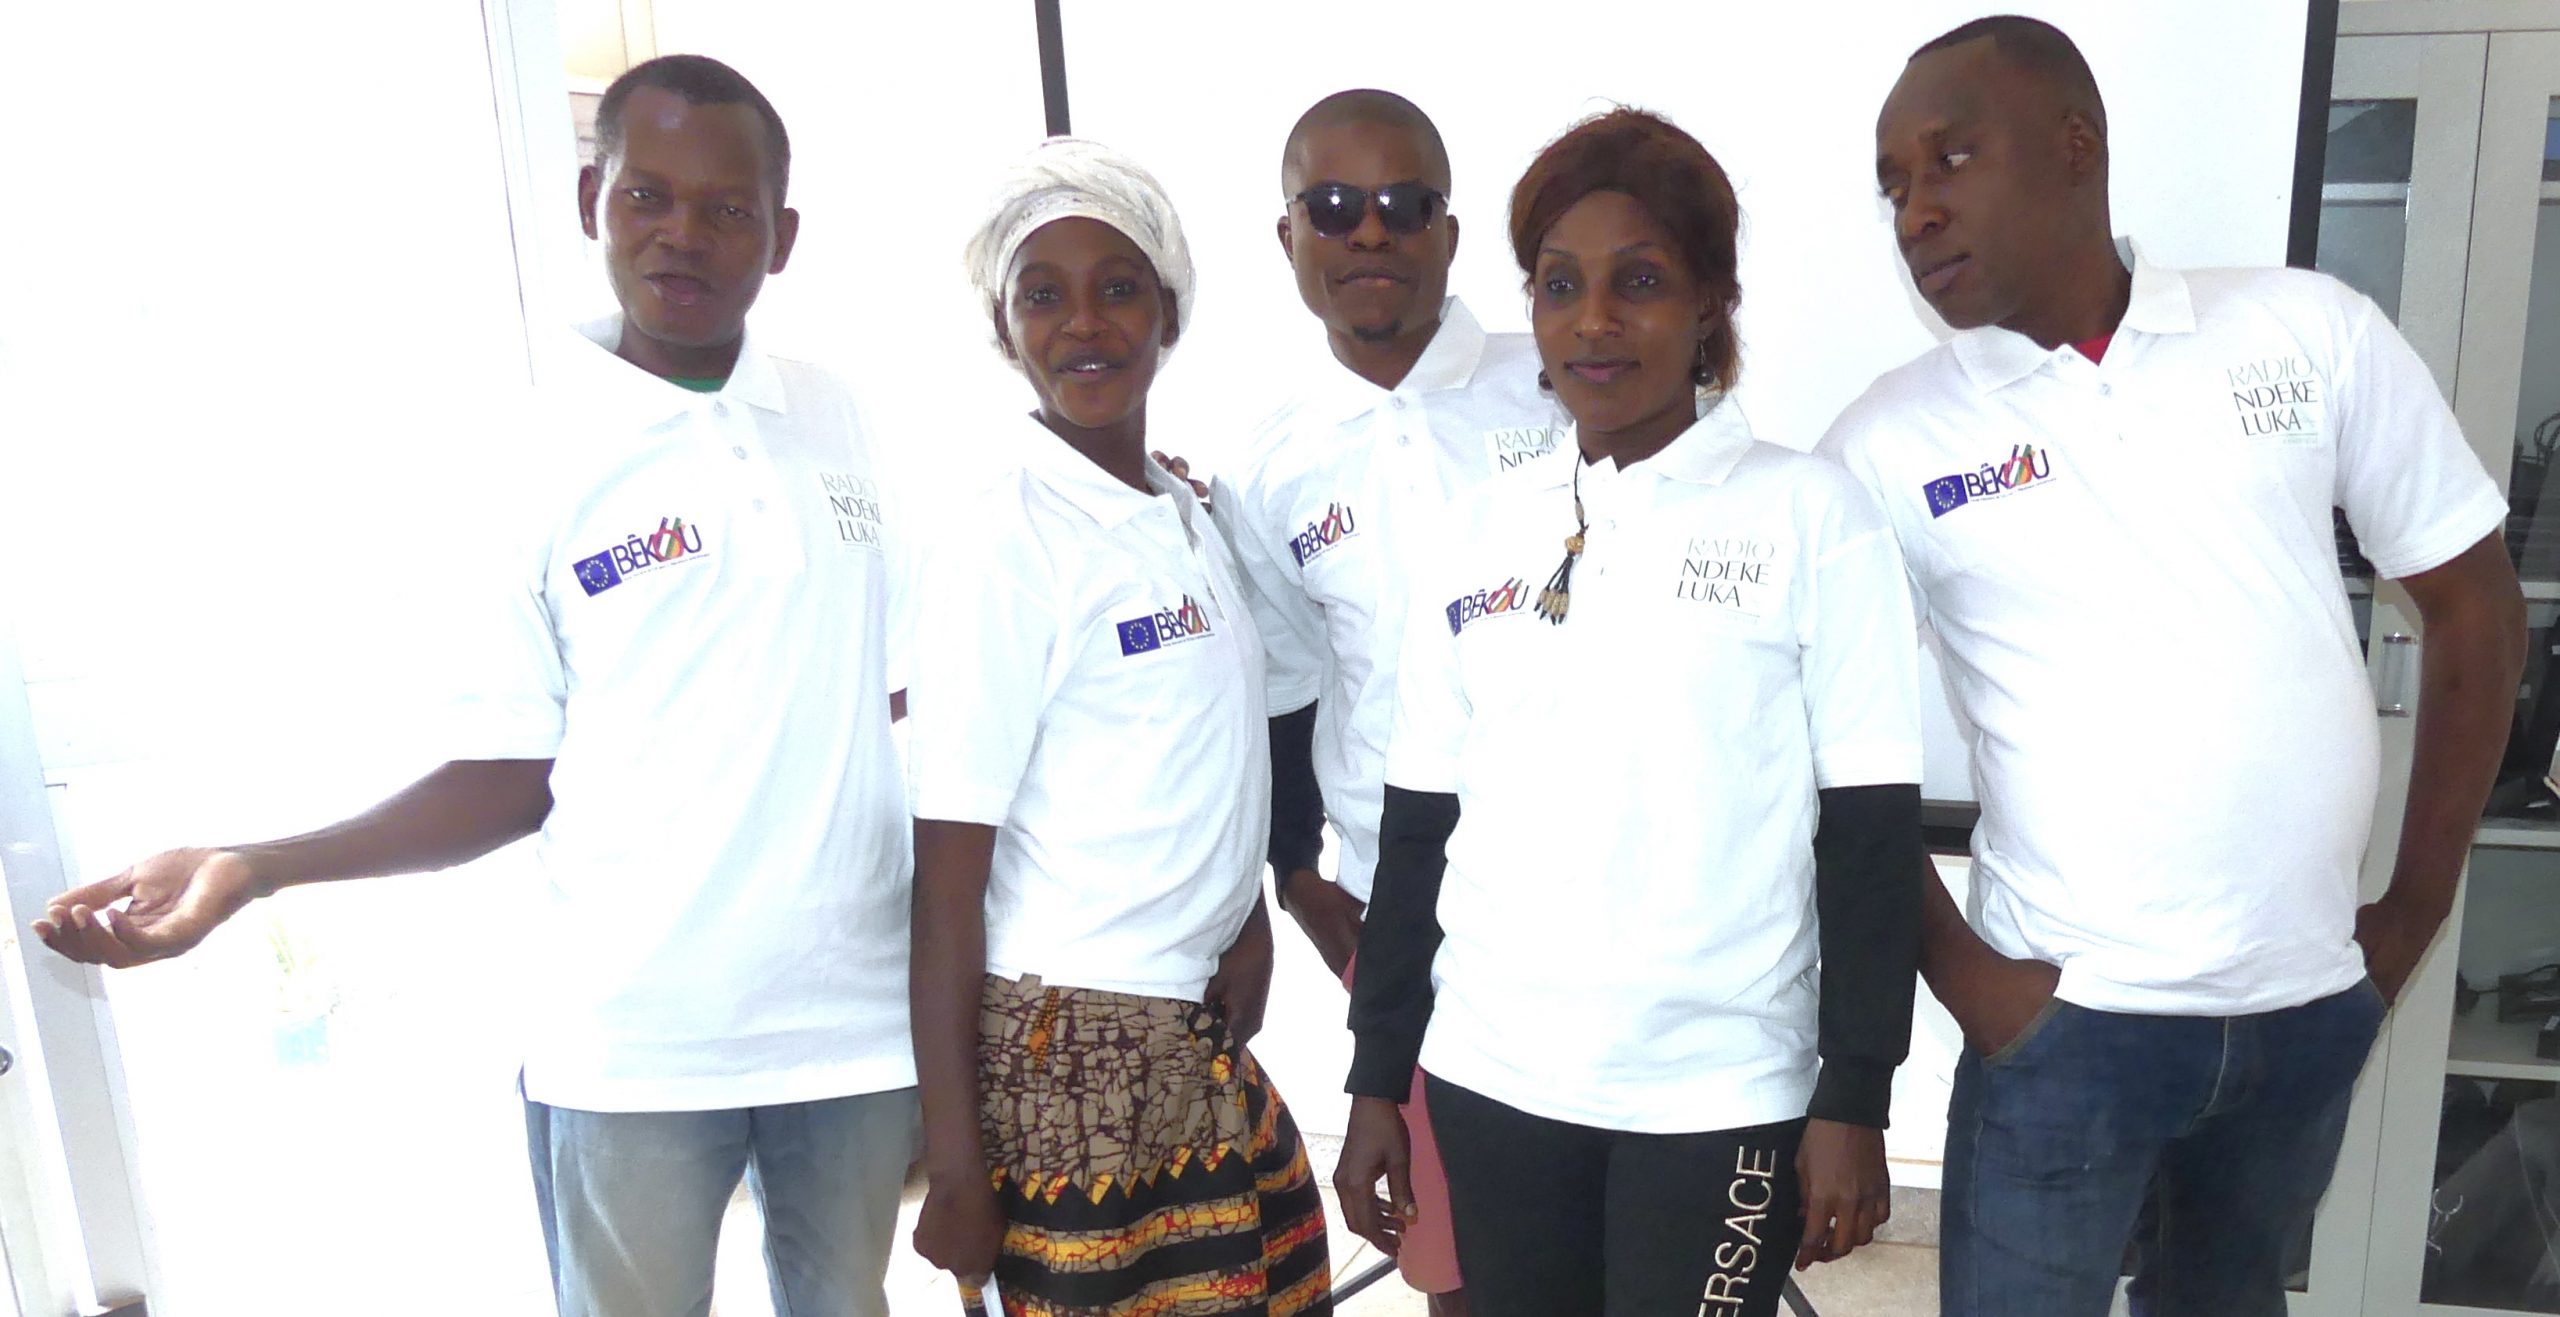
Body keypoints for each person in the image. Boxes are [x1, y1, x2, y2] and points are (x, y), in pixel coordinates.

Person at [31, 55, 920, 1317]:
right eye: (647, 196)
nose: (682, 233)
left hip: (853, 1025)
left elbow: (891, 702)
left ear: (781, 238)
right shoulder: (524, 451)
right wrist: (256, 865)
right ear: (590, 202)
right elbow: (507, 778)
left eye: (727, 209)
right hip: (631, 1044)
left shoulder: (838, 416)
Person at [1821, 16, 2529, 1317]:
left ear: (2075, 145)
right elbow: (1819, 748)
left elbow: (2473, 604)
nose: (1916, 210)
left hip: (2306, 1009)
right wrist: (1970, 982)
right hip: (2065, 1028)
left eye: (1950, 159)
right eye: (1893, 185)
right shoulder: (1885, 443)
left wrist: (2415, 910)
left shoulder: (2301, 330)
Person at [1333, 108, 1926, 1317]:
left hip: (1719, 1098)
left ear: (1711, 303)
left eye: (1639, 282)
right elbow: (1418, 828)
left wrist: (1856, 1092)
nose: (1593, 321)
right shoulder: (1477, 530)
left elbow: (1869, 841)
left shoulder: (1812, 518)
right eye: (1560, 286)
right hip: (1493, 1080)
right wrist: (1376, 1079)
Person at [904, 137, 1333, 1317]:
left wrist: (1249, 919)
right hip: (1069, 1048)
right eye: (1043, 295)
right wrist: (955, 1167)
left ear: (1168, 315)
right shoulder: (1002, 543)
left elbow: (1208, 755)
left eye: (1118, 288)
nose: (1083, 322)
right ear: (1005, 330)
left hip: (1193, 1025)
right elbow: (946, 883)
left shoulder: (1184, 512)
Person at [1210, 88, 1562, 1316]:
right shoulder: (1269, 460)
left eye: (1405, 206)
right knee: (1456, 1266)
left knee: (1615, 1245)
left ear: (1448, 234)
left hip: (1599, 890)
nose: (1369, 232)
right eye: (1333, 206)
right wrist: (1296, 875)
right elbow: (1284, 685)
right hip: (1400, 908)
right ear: (1289, 237)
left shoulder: (1563, 379)